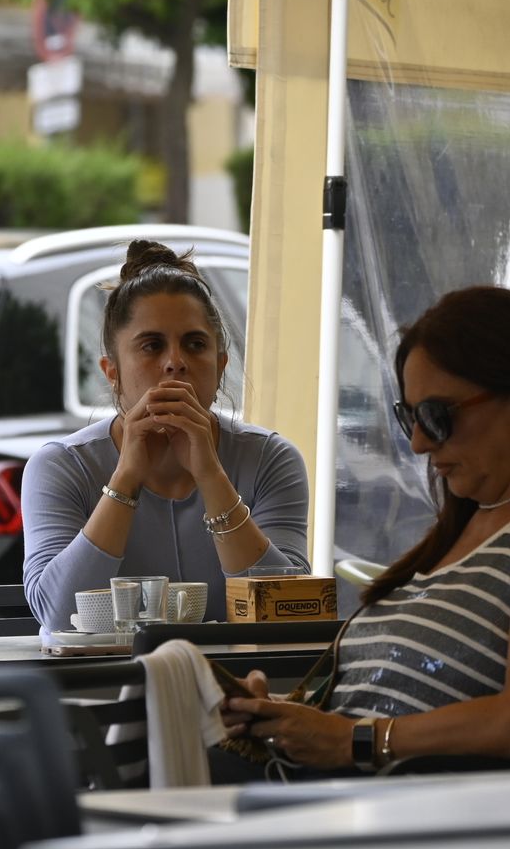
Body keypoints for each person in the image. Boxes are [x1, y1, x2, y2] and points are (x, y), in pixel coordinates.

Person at [223, 286, 510, 769]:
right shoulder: (469, 522)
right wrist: (283, 717)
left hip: (409, 806)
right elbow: (373, 709)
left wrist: (358, 740)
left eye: (437, 416)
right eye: (409, 417)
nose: (419, 443)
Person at [22, 240, 309, 630]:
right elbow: (58, 616)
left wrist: (211, 475)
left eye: (195, 344)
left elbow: (286, 608)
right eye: (152, 346)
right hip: (109, 672)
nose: (175, 362)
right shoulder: (61, 466)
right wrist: (126, 478)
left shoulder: (271, 458)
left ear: (220, 367)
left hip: (234, 669)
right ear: (112, 372)